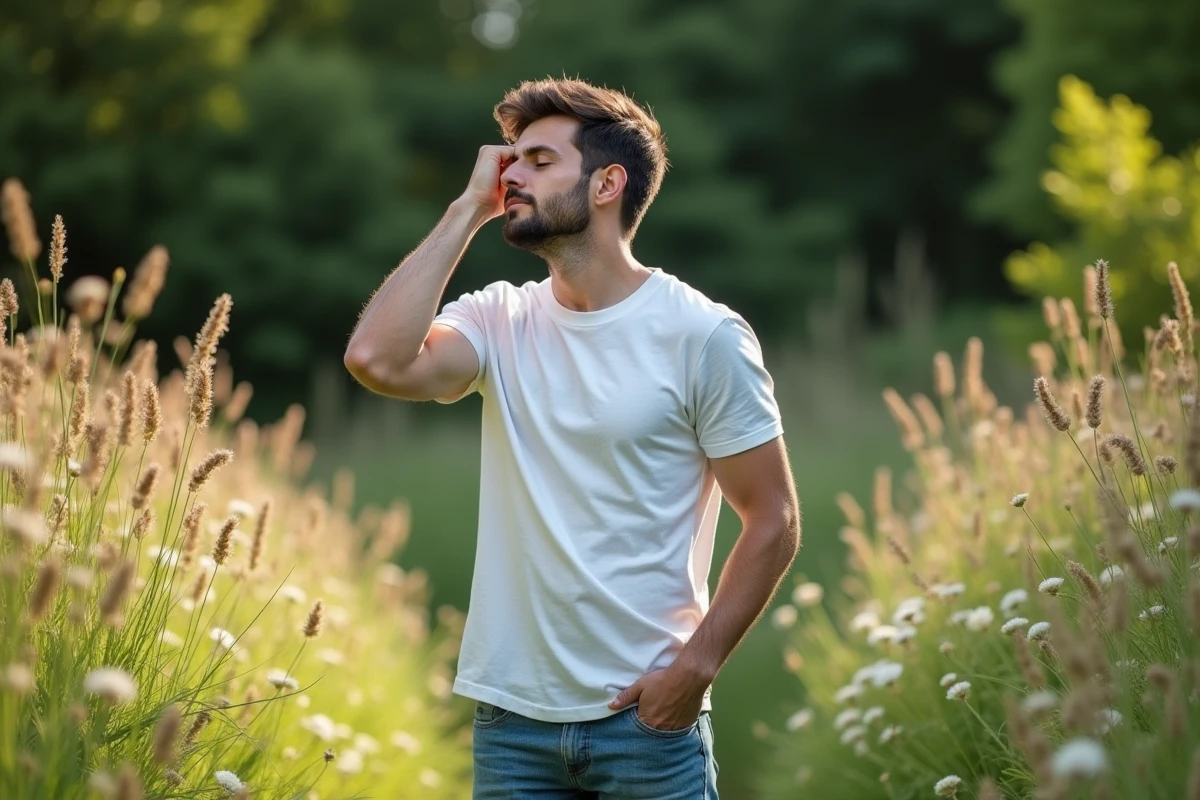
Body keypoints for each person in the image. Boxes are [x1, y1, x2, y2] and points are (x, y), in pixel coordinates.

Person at [344, 77, 801, 800]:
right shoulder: (499, 319)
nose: (511, 174)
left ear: (607, 183)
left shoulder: (702, 334)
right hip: (511, 727)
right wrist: (466, 211)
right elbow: (377, 360)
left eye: (539, 160)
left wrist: (694, 671)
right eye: (510, 160)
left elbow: (773, 519)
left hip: (647, 727)